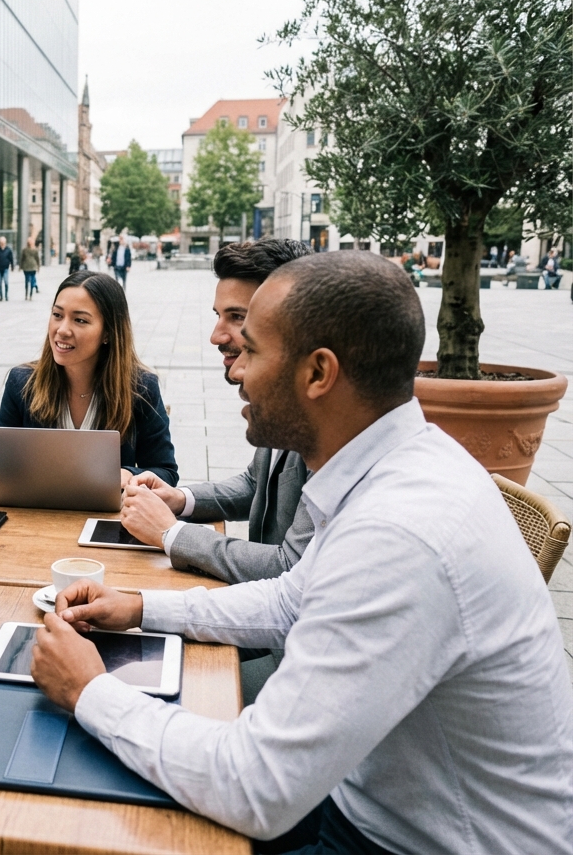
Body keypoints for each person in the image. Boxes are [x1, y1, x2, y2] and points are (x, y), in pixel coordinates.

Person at [30, 252, 573, 854]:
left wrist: (88, 690)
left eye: (252, 348)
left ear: (318, 374)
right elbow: (291, 600)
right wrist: (135, 606)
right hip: (366, 805)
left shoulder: (401, 532)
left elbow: (255, 787)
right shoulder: (389, 468)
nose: (233, 363)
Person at [121, 240, 314, 584]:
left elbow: (292, 570)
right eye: (218, 315)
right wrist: (180, 499)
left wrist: (171, 533)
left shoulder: (330, 428)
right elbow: (257, 483)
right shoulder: (283, 400)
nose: (215, 336)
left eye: (237, 317)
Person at [0, 270, 178, 486]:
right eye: (57, 315)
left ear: (108, 332)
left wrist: (128, 474)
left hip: (108, 517)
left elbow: (165, 472)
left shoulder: (140, 388)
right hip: (38, 516)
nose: (62, 330)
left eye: (80, 320)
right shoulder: (22, 383)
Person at [0, 235, 14, 300]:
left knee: (6, 282)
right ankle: (1, 296)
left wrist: (12, 266)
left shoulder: (8, 250)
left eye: (3, 243)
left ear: (5, 242)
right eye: (1, 243)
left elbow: (11, 259)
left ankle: (6, 295)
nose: (2, 244)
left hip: (5, 269)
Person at [19, 235, 41, 300]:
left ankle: (28, 294)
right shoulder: (31, 250)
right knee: (30, 281)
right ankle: (29, 295)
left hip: (28, 267)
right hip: (30, 267)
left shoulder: (27, 250)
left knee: (28, 281)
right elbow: (37, 259)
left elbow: (22, 259)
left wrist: (20, 266)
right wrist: (38, 267)